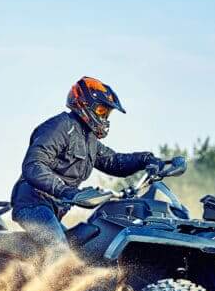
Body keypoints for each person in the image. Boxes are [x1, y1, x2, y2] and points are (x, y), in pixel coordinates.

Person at [10, 76, 162, 257]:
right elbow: (33, 165)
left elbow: (114, 162)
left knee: (81, 255)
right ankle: (43, 287)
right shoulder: (60, 126)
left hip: (54, 208)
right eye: (101, 110)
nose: (104, 117)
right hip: (33, 204)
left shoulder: (89, 140)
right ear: (83, 103)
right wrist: (66, 191)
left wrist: (146, 159)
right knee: (60, 254)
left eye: (107, 113)